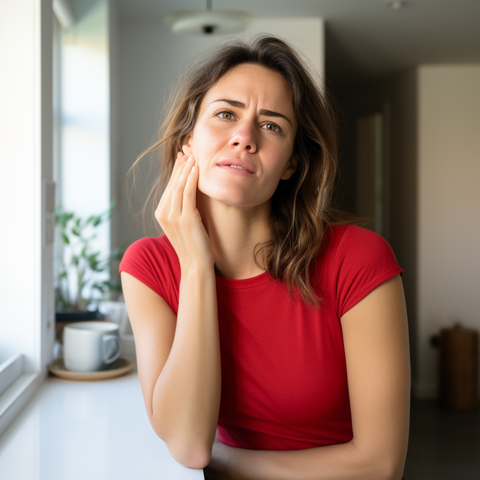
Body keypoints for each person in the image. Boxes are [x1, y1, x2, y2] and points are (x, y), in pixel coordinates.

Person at [119, 35, 410, 479]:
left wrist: (228, 461)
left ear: (291, 163)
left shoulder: (359, 259)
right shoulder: (148, 268)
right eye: (225, 114)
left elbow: (379, 464)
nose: (243, 137)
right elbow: (189, 443)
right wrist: (196, 267)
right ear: (187, 141)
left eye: (271, 125)